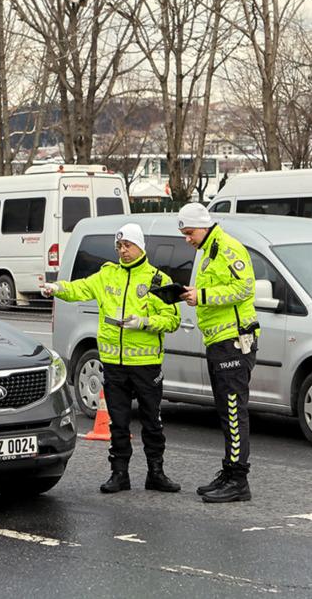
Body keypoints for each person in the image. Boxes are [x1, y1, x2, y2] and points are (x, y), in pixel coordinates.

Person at [40, 223, 182, 494]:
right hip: (114, 363)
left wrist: (143, 322)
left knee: (152, 422)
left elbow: (172, 320)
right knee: (118, 422)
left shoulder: (157, 280)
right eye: (119, 246)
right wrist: (56, 288)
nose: (123, 251)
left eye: (128, 245)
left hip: (146, 365)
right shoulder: (107, 275)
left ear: (140, 247)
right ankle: (119, 474)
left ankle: (156, 473)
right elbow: (80, 288)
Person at [178, 202, 259, 503]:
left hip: (234, 341)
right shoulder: (208, 251)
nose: (187, 239)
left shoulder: (227, 248)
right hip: (218, 341)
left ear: (203, 226)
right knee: (226, 412)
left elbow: (245, 288)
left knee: (234, 411)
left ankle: (238, 480)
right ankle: (230, 471)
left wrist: (202, 295)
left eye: (189, 232)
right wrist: (194, 295)